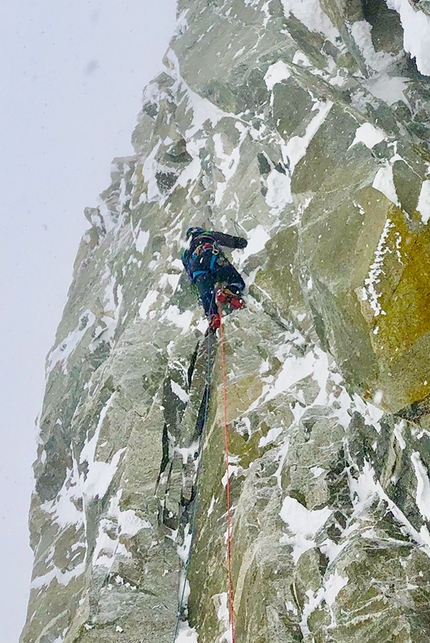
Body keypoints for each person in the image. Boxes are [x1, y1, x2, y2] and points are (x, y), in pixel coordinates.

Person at [182, 226, 248, 331]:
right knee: (236, 281)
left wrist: (201, 297)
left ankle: (213, 316)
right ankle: (229, 291)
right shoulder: (206, 235)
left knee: (208, 298)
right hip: (210, 256)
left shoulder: (185, 254)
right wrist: (240, 242)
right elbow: (224, 238)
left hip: (197, 272)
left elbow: (190, 277)